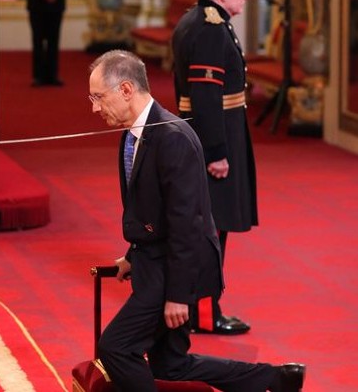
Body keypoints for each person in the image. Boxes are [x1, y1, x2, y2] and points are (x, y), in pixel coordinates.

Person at [89, 50, 305, 391]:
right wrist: (132, 256)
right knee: (171, 364)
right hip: (156, 261)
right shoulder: (132, 134)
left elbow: (187, 223)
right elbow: (152, 212)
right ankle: (275, 379)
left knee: (116, 347)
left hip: (176, 271)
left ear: (126, 90)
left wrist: (178, 296)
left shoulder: (172, 138)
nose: (95, 108)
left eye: (98, 97)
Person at [171, 0, 256, 335]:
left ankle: (200, 307)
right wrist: (218, 153)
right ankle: (204, 314)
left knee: (209, 227)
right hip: (215, 139)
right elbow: (206, 96)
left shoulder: (199, 20)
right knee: (211, 230)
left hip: (211, 134)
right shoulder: (209, 28)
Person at [23, 0, 70, 87]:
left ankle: (52, 75)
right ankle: (38, 76)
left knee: (54, 40)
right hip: (36, 0)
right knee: (37, 40)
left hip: (56, 0)